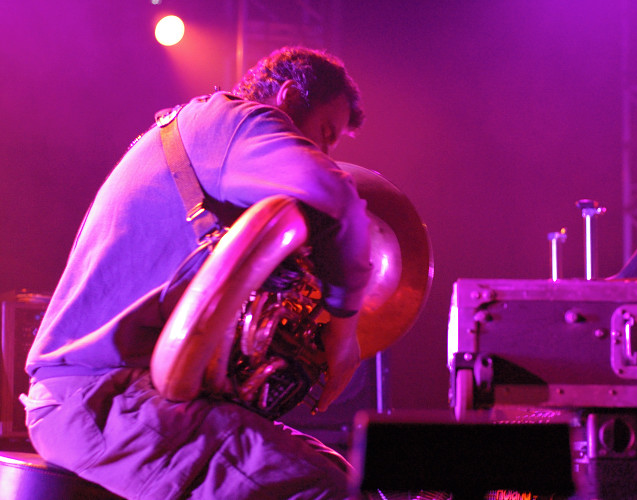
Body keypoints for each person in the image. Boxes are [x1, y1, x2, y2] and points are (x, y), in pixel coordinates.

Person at [22, 46, 373, 499]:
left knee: (346, 475)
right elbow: (335, 198)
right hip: (100, 397)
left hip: (115, 396)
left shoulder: (200, 132)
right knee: (326, 490)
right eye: (324, 133)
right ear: (287, 97)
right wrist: (343, 333)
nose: (322, 152)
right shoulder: (236, 123)